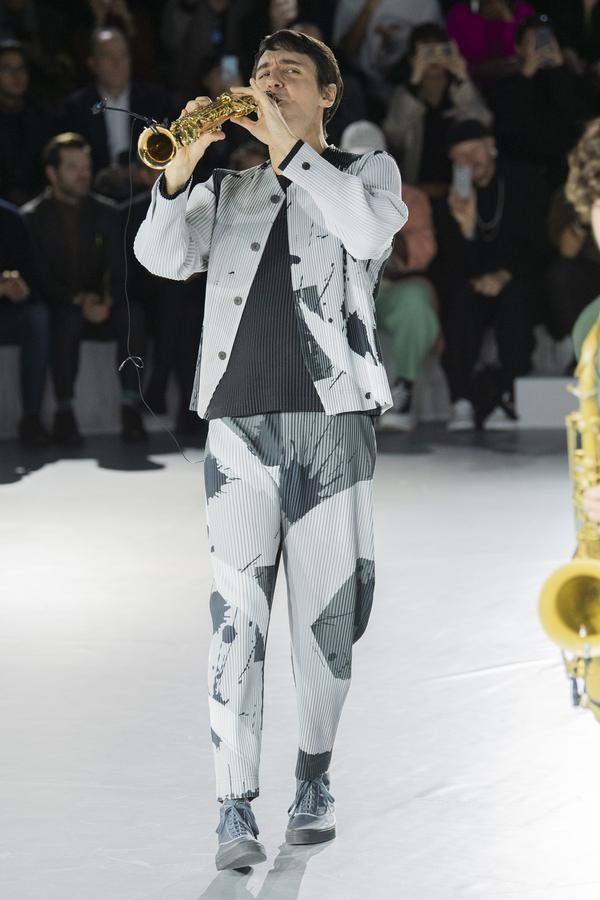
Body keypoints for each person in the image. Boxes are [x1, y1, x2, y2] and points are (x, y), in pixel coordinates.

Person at [134, 28, 407, 871]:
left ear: (327, 96)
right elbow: (159, 256)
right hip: (236, 427)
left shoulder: (365, 171)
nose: (269, 81)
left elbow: (368, 234)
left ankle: (314, 780)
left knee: (328, 620)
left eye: (290, 71)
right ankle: (233, 804)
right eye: (260, 72)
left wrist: (292, 151)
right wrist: (179, 169)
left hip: (332, 425)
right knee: (235, 622)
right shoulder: (229, 188)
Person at [22, 132, 148, 445]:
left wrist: (105, 299)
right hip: (63, 303)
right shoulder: (33, 217)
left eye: (86, 167)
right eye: (73, 167)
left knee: (133, 315)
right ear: (52, 173)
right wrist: (78, 300)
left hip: (102, 301)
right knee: (65, 319)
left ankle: (131, 408)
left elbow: (118, 267)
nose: (83, 174)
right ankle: (64, 414)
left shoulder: (106, 211)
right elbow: (39, 276)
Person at [433, 118, 549, 430]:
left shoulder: (524, 182)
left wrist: (504, 275)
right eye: (459, 157)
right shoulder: (451, 200)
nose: (468, 161)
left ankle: (509, 394)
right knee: (460, 299)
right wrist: (466, 227)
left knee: (517, 300)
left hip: (516, 277)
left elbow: (538, 245)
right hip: (475, 282)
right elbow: (451, 264)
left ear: (491, 146)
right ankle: (461, 398)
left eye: (473, 152)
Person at [341, 120, 440, 430]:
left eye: (369, 158)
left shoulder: (409, 197)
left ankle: (404, 386)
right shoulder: (330, 194)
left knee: (416, 301)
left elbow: (424, 251)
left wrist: (382, 220)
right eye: (355, 158)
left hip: (390, 289)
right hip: (343, 289)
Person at [383, 22, 492, 194]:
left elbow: (482, 126)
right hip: (419, 187)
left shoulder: (461, 90)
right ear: (412, 59)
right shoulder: (405, 95)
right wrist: (414, 82)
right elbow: (394, 137)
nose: (433, 59)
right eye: (427, 53)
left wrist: (462, 78)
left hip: (463, 187)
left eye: (439, 51)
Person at [490, 15, 590, 189]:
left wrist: (559, 69)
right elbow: (510, 123)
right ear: (519, 48)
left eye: (546, 40)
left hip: (566, 167)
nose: (541, 47)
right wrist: (526, 74)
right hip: (524, 168)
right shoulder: (505, 84)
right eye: (533, 42)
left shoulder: (571, 79)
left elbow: (577, 116)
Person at [63, 26, 174, 174]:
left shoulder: (157, 101)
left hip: (146, 183)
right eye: (107, 56)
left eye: (123, 55)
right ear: (92, 63)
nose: (117, 63)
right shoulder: (76, 108)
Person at [0, 198, 50, 446]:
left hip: (7, 312)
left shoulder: (10, 218)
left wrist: (19, 289)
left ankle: (32, 417)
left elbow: (30, 276)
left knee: (37, 317)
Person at [0, 39, 56, 205]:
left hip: (39, 205)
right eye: (7, 69)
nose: (16, 76)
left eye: (21, 69)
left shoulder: (42, 115)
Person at [446, 0, 534, 81]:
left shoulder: (521, 9)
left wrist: (506, 17)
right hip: (479, 82)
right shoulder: (458, 15)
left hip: (520, 78)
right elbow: (460, 61)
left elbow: (526, 53)